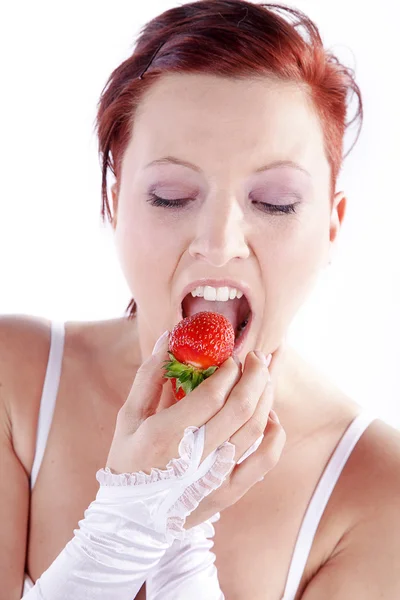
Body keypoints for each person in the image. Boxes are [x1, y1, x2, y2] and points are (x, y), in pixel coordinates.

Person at [1, 0, 399, 598]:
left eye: (275, 203)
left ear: (332, 226)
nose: (219, 244)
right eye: (170, 195)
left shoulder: (377, 492)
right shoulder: (13, 382)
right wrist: (123, 528)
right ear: (114, 203)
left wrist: (179, 543)